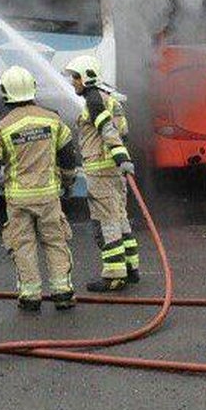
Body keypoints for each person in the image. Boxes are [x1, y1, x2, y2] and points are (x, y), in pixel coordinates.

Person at [0, 65, 79, 312]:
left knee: (23, 245)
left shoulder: (1, 127)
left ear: (6, 93)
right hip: (48, 196)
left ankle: (30, 295)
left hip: (19, 199)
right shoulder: (52, 119)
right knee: (56, 242)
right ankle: (63, 292)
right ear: (33, 88)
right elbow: (68, 154)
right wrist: (68, 181)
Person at [64, 55, 138, 292]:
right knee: (120, 218)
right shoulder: (111, 100)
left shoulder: (94, 100)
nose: (73, 82)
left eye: (76, 77)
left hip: (101, 172)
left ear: (87, 77)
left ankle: (114, 275)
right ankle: (131, 267)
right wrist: (121, 159)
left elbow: (107, 130)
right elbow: (123, 132)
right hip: (114, 172)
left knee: (105, 224)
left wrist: (121, 157)